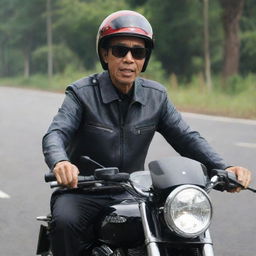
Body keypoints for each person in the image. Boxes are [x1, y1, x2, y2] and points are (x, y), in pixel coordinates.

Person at [42, 10, 252, 256]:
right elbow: (55, 134)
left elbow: (187, 138)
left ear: (144, 59)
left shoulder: (156, 97)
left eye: (138, 52)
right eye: (120, 50)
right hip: (83, 192)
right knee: (67, 222)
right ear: (105, 54)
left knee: (176, 228)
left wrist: (225, 168)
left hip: (131, 192)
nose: (129, 59)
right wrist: (61, 162)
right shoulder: (81, 94)